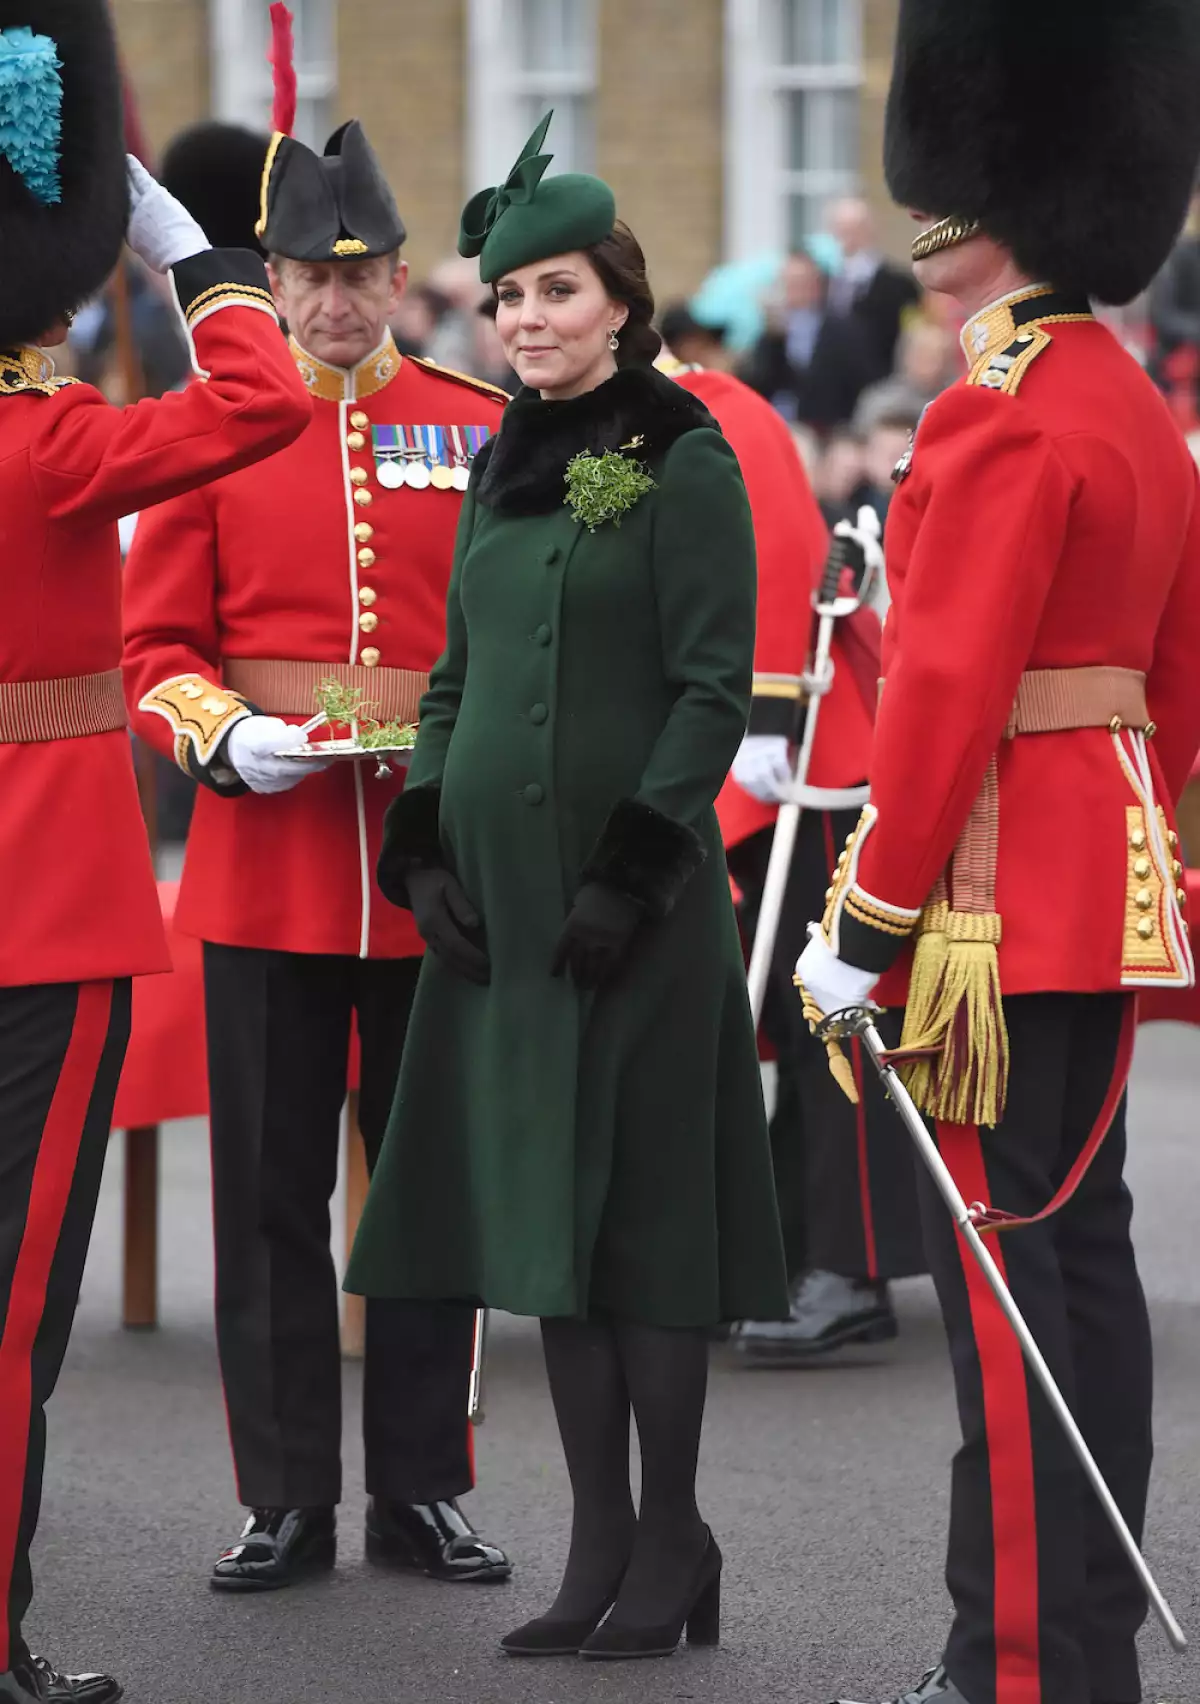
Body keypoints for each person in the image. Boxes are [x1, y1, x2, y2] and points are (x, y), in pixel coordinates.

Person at [795, 2, 1200, 1701]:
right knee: (1081, 1263)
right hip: (1103, 890)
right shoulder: (1129, 405)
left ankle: (1023, 1659)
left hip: (981, 905)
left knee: (1006, 1288)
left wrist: (864, 923)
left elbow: (948, 697)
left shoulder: (998, 413)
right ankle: (1074, 1635)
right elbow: (1174, 692)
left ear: (989, 201)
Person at [345, 111, 787, 1661]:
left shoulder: (687, 455)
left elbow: (710, 690)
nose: (525, 320)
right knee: (553, 1234)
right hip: (508, 924)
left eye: (556, 293)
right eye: (507, 297)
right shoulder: (502, 464)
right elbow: (456, 680)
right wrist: (419, 845)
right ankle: (601, 1540)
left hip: (635, 920)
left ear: (621, 299)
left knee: (646, 1233)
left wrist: (633, 872)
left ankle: (672, 1536)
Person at [122, 104, 511, 1594]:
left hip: (429, 867)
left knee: (425, 1194)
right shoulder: (214, 431)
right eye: (308, 277)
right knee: (270, 1197)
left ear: (401, 277)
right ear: (271, 284)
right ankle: (286, 1494)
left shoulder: (482, 431)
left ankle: (422, 1485)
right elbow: (153, 645)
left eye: (363, 276)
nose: (337, 301)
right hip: (270, 863)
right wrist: (222, 732)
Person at [0, 5, 313, 1699]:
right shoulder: (45, 441)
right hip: (44, 915)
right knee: (14, 1312)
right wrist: (179, 242)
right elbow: (260, 395)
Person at [653, 345, 926, 1360]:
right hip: (699, 751)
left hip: (791, 751)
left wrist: (768, 711)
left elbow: (771, 548)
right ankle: (781, 1248)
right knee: (764, 1013)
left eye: (558, 294)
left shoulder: (718, 409)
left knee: (827, 1013)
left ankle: (851, 1265)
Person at [740, 249, 873, 434]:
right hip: (782, 426)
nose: (795, 290)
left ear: (817, 285)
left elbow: (860, 381)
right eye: (790, 283)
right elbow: (759, 381)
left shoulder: (844, 329)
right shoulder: (771, 331)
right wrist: (774, 342)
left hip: (830, 429)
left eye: (802, 283)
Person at [825, 197, 922, 382]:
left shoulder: (900, 285)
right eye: (842, 231)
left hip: (883, 379)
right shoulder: (825, 281)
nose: (849, 239)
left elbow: (912, 334)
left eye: (856, 230)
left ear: (870, 230)